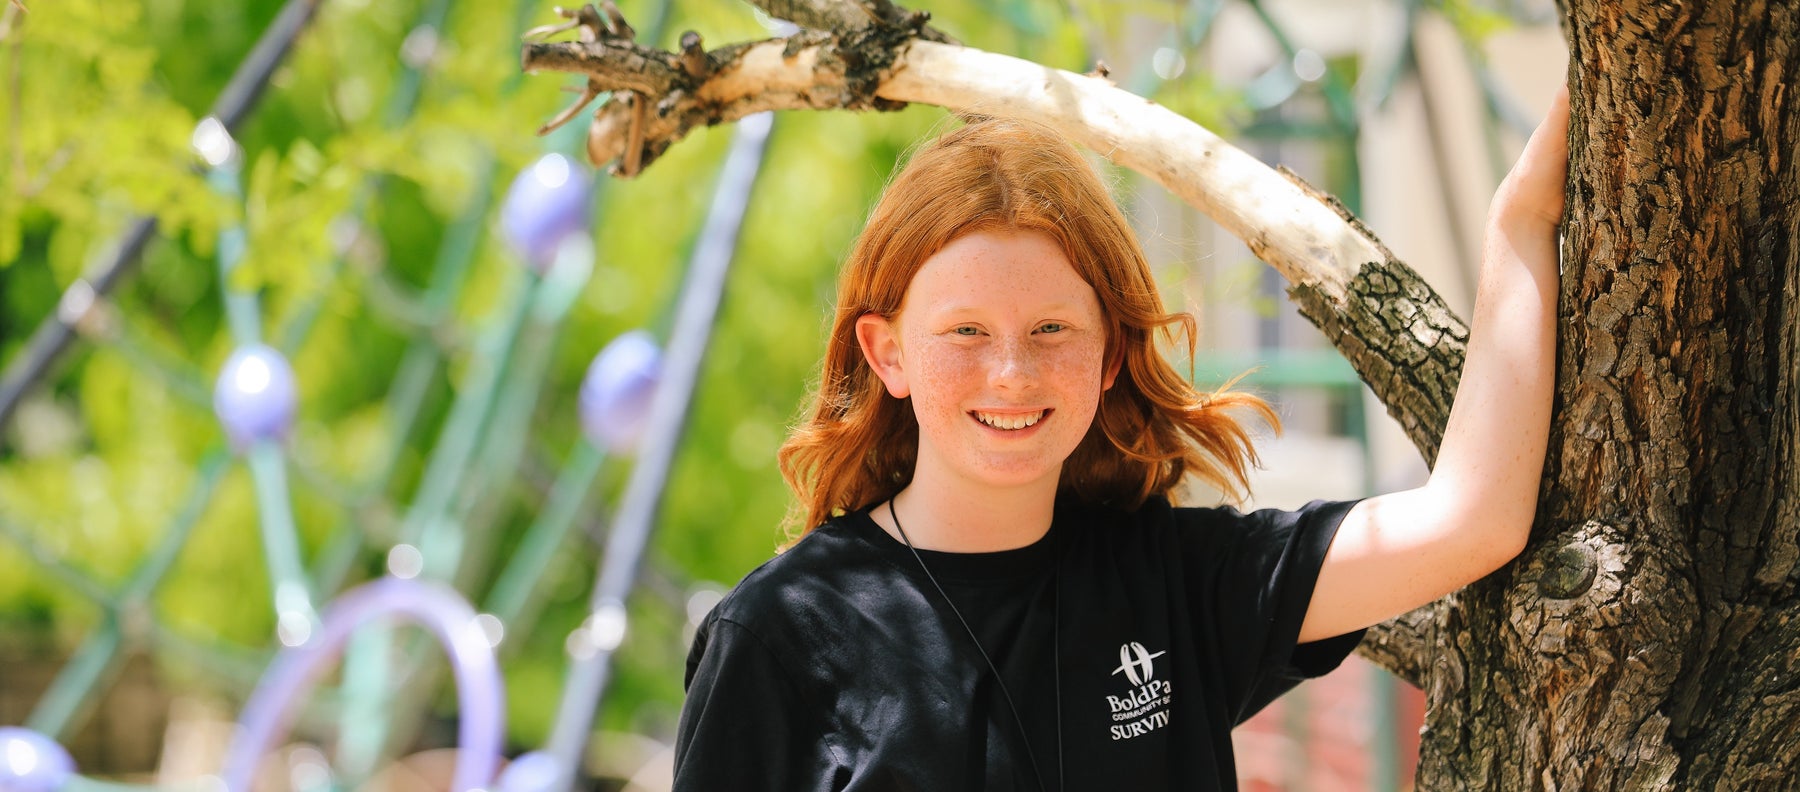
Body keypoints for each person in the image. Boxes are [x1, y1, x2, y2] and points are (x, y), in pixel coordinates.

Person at [672, 85, 1571, 790]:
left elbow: (1476, 519)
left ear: (1110, 354)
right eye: (966, 332)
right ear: (888, 353)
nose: (1012, 374)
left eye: (1053, 330)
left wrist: (1521, 222)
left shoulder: (1177, 584)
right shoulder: (779, 636)